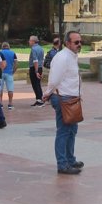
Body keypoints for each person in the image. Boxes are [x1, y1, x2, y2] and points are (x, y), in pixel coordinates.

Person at [43, 31, 84, 175]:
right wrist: (47, 93)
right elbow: (54, 80)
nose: (79, 45)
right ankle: (62, 164)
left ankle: (70, 159)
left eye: (80, 42)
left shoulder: (72, 56)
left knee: (72, 131)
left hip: (72, 99)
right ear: (67, 43)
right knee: (64, 131)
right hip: (63, 99)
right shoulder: (62, 57)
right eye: (76, 42)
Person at [0, 42, 18, 110]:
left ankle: (0, 103)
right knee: (10, 89)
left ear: (2, 47)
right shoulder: (13, 53)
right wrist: (13, 71)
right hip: (9, 73)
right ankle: (10, 103)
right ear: (9, 47)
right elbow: (16, 64)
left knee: (0, 89)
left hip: (0, 73)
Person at [28, 35, 45, 106]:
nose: (29, 42)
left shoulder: (33, 49)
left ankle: (39, 100)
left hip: (34, 68)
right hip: (40, 67)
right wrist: (41, 70)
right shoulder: (41, 48)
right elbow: (42, 60)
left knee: (35, 84)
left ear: (33, 41)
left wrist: (36, 71)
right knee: (38, 84)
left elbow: (35, 60)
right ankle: (40, 99)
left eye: (29, 40)